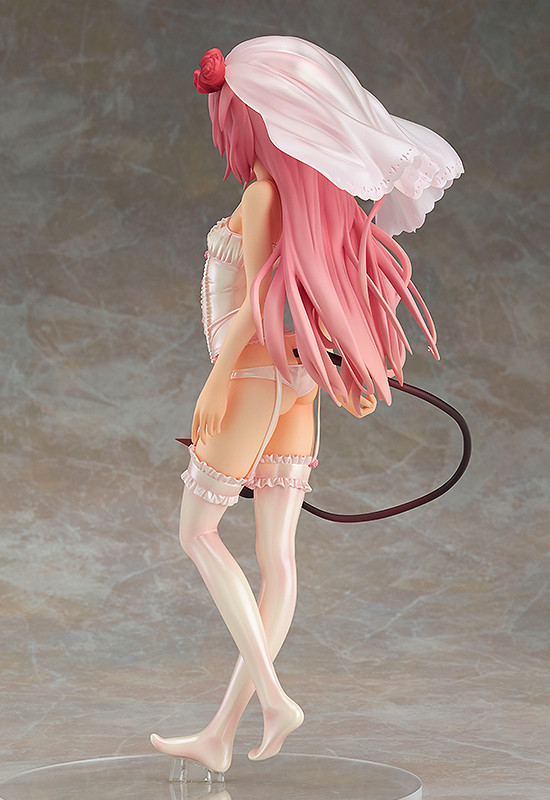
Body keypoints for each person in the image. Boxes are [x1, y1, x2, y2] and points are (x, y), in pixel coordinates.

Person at [150, 36, 463, 774]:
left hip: (253, 376)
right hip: (289, 384)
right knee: (277, 558)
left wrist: (214, 383)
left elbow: (258, 306)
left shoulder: (262, 197)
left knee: (199, 532)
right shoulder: (297, 200)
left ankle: (273, 697)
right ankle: (222, 734)